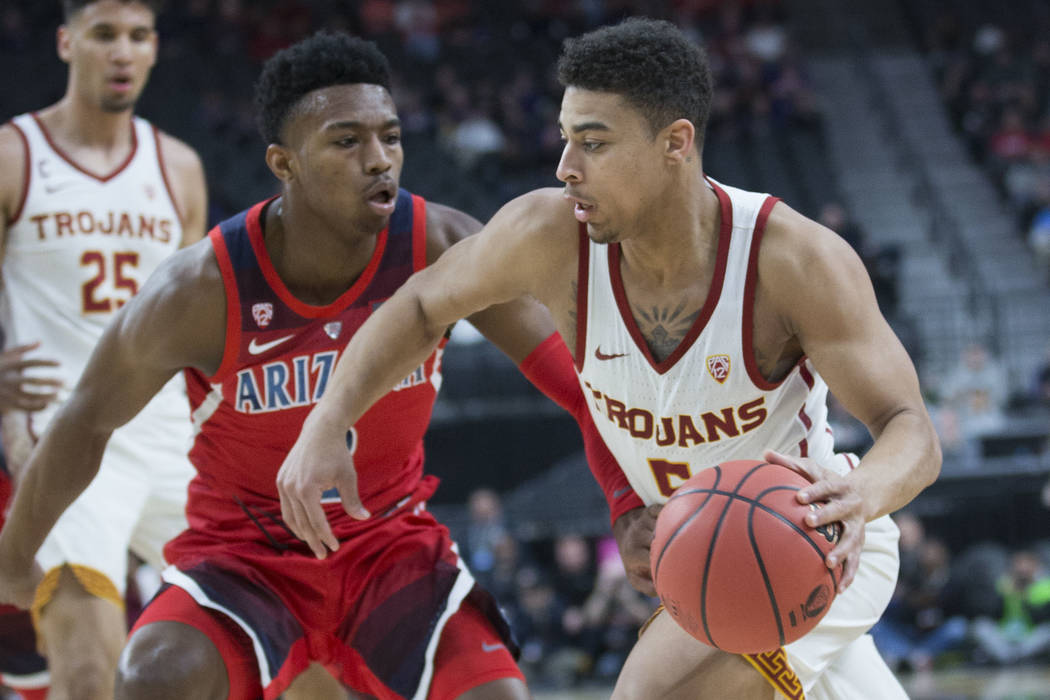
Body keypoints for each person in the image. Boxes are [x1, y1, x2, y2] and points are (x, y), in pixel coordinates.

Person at [278, 18, 942, 700]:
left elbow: (911, 430)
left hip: (811, 542)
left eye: (592, 143)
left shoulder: (792, 259)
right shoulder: (548, 236)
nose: (566, 167)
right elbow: (421, 305)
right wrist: (329, 420)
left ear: (675, 144)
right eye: (566, 137)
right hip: (699, 551)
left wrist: (862, 496)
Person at [0, 30, 617, 700]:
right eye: (346, 141)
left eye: (390, 136)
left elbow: (577, 379)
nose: (379, 160)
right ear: (283, 162)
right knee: (152, 677)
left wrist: (632, 495)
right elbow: (85, 421)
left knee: (497, 696)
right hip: (246, 557)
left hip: (391, 549)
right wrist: (11, 557)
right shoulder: (200, 290)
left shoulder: (442, 243)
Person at [0, 1, 206, 698]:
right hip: (63, 433)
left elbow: (200, 323)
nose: (123, 51)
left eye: (138, 36)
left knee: (285, 638)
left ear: (154, 50)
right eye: (105, 35)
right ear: (66, 42)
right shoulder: (12, 154)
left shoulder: (178, 167)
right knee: (90, 675)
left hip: (173, 433)